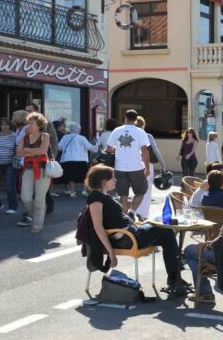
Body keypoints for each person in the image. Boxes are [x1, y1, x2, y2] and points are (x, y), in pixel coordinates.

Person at [85, 165, 188, 294]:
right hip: (127, 238)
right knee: (166, 232)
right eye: (112, 178)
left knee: (164, 228)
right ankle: (175, 278)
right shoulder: (95, 198)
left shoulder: (103, 195)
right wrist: (111, 253)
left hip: (133, 232)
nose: (115, 181)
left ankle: (175, 277)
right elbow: (98, 227)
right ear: (103, 181)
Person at [105, 109, 151, 215]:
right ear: (136, 119)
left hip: (120, 168)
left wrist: (117, 149)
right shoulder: (140, 132)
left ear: (125, 118)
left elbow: (108, 149)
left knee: (123, 195)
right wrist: (147, 168)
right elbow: (145, 152)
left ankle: (124, 217)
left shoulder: (117, 130)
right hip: (136, 168)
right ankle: (132, 212)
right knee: (140, 192)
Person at [16, 112, 52, 233]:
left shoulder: (45, 136)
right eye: (28, 123)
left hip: (42, 169)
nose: (29, 125)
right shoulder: (25, 137)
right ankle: (35, 214)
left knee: (39, 198)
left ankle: (37, 225)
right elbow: (18, 153)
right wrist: (33, 152)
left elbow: (43, 151)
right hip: (28, 169)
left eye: (31, 123)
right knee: (25, 197)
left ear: (39, 125)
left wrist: (27, 150)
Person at [57, 123, 97, 197]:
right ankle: (84, 191)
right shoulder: (82, 138)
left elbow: (59, 147)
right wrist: (97, 146)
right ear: (78, 130)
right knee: (85, 176)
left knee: (71, 177)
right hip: (81, 160)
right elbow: (90, 147)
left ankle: (72, 192)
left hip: (68, 159)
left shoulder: (65, 137)